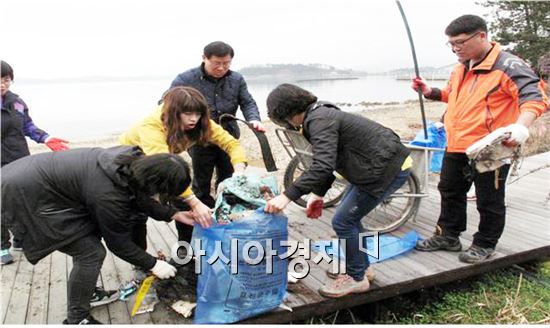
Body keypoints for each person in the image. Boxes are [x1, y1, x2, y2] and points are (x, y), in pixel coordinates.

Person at [1, 145, 195, 324]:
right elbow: (118, 244)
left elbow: (137, 195)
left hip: (31, 180)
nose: (164, 198)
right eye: (165, 193)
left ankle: (86, 292)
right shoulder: (108, 195)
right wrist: (154, 264)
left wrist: (174, 213)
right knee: (90, 253)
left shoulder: (133, 162)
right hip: (22, 195)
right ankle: (77, 319)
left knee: (89, 244)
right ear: (155, 182)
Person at [411, 15, 548, 263]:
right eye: (451, 44)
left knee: (489, 198)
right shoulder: (461, 66)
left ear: (482, 36)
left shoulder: (509, 66)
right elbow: (453, 96)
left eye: (460, 42)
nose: (455, 48)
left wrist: (520, 128)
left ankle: (485, 244)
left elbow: (535, 99)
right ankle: (448, 236)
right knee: (449, 190)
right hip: (457, 142)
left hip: (490, 148)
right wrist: (429, 92)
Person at [264, 84, 413, 298]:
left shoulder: (318, 120)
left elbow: (323, 165)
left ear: (286, 114)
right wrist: (318, 195)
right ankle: (363, 269)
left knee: (343, 221)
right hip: (375, 165)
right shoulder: (320, 113)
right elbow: (329, 160)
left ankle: (356, 278)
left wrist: (287, 196)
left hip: (386, 169)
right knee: (350, 219)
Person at [120, 86, 247, 252]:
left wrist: (238, 171)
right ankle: (141, 262)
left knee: (183, 202)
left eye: (197, 113)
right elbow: (163, 171)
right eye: (187, 114)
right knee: (137, 213)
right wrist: (195, 201)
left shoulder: (201, 123)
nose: (193, 119)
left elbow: (231, 144)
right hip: (131, 164)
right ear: (173, 112)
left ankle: (185, 249)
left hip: (163, 164)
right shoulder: (151, 126)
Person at [168, 41, 264, 208]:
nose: (221, 68)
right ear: (204, 58)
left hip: (228, 134)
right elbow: (167, 102)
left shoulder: (236, 79)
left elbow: (247, 102)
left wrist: (254, 119)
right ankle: (204, 214)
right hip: (199, 138)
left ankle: (226, 210)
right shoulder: (185, 78)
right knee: (201, 180)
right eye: (217, 63)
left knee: (228, 176)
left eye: (226, 63)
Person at [1, 60, 70, 266]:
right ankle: (2, 246)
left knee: (23, 199)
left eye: (6, 79)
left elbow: (28, 126)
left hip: (19, 159)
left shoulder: (17, 103)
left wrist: (47, 138)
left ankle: (21, 239)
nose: (2, 84)